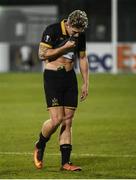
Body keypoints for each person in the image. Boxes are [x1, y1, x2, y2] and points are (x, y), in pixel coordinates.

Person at [34, 9, 89, 171]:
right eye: (75, 31)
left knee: (68, 120)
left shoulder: (80, 35)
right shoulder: (53, 30)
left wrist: (86, 82)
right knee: (57, 119)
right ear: (69, 24)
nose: (77, 34)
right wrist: (65, 47)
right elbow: (42, 54)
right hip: (53, 77)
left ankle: (65, 163)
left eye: (80, 31)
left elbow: (83, 58)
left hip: (70, 78)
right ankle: (40, 143)